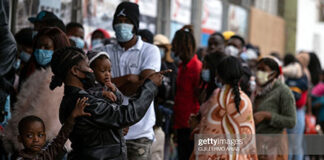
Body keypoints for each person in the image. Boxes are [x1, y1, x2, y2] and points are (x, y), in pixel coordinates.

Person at [49, 47, 165, 159]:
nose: (91, 71)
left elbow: (100, 128)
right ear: (75, 71)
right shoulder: (84, 102)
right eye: (88, 66)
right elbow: (125, 115)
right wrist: (150, 86)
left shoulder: (73, 98)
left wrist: (115, 130)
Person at [98, 2, 161, 159]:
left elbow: (143, 87)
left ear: (135, 25)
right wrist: (129, 78)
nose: (121, 25)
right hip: (109, 131)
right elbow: (96, 84)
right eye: (118, 21)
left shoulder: (149, 50)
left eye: (127, 21)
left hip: (139, 133)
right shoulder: (104, 51)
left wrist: (112, 83)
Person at [4, 27, 71, 154]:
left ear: (58, 49)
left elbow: (47, 121)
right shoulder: (33, 75)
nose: (41, 51)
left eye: (46, 47)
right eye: (38, 47)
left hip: (48, 148)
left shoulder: (58, 79)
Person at [190, 56, 257, 160]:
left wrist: (196, 127)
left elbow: (208, 133)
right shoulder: (246, 100)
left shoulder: (217, 97)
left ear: (218, 75)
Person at [12, 97, 90, 160]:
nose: (36, 139)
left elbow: (59, 139)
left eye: (40, 135)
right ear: (20, 138)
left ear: (45, 137)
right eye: (29, 136)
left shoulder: (46, 155)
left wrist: (72, 116)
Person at [253, 57, 296, 159]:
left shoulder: (283, 91)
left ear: (274, 74)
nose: (259, 72)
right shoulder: (256, 91)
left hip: (274, 146)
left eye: (263, 70)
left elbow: (291, 121)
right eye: (258, 69)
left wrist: (267, 116)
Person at [172, 25, 202, 160]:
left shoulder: (196, 67)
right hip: (180, 123)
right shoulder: (181, 66)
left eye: (175, 45)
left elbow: (200, 97)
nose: (173, 49)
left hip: (190, 126)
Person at [153, 34, 177, 160]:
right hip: (154, 113)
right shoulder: (151, 65)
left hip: (167, 112)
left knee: (166, 147)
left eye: (161, 47)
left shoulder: (172, 67)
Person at [283, 54, 308, 160]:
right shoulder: (305, 75)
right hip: (297, 111)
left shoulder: (292, 72)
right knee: (296, 146)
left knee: (290, 146)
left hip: (293, 111)